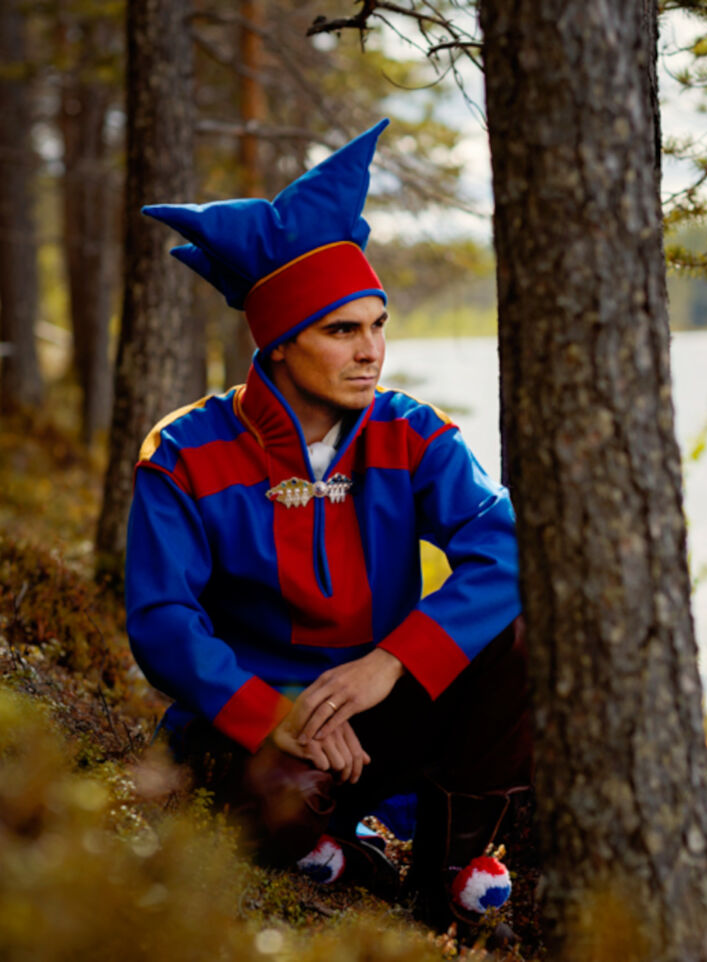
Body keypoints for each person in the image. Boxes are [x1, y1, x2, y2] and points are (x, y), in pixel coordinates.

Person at [124, 119, 530, 927]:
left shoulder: (409, 431)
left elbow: (508, 545)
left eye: (378, 324)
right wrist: (275, 717)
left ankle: (447, 873)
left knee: (527, 630)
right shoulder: (183, 451)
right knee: (275, 804)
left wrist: (391, 663)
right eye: (342, 331)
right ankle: (343, 843)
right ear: (279, 345)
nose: (370, 352)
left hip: (386, 709)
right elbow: (163, 621)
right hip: (256, 726)